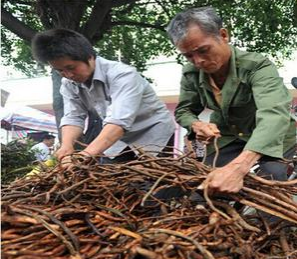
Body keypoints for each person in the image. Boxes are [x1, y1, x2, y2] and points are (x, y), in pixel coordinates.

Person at [166, 7, 296, 194]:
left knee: (270, 178)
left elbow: (273, 115)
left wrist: (239, 167)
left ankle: (276, 223)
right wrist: (196, 125)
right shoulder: (191, 73)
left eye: (203, 50)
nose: (198, 61)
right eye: (188, 56)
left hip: (275, 137)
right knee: (205, 185)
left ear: (223, 35)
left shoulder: (257, 66)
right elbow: (183, 111)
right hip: (228, 138)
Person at [31, 29, 175, 164]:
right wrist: (67, 146)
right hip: (117, 139)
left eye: (71, 68)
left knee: (152, 183)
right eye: (59, 70)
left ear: (90, 56)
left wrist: (85, 154)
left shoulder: (122, 74)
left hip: (152, 132)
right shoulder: (68, 83)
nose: (68, 75)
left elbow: (118, 120)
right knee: (113, 183)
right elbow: (73, 117)